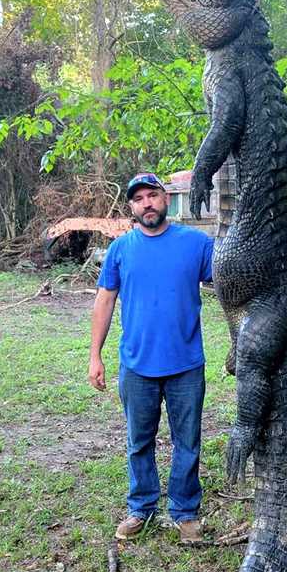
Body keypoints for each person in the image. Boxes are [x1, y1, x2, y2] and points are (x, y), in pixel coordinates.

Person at [88, 172, 215, 544]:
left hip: (186, 364)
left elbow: (227, 286)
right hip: (137, 366)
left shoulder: (196, 244)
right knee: (139, 441)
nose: (147, 203)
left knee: (187, 441)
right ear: (131, 206)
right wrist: (95, 355)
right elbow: (105, 301)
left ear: (166, 199)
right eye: (139, 198)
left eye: (153, 195)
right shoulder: (120, 250)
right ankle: (141, 507)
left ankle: (185, 511)